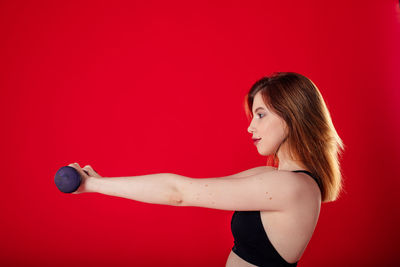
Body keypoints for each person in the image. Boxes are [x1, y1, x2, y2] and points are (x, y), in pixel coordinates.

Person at [68, 72, 345, 267]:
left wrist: (92, 185)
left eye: (261, 114)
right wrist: (101, 181)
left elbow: (179, 193)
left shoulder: (291, 187)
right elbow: (188, 186)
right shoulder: (270, 177)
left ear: (292, 115)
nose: (250, 127)